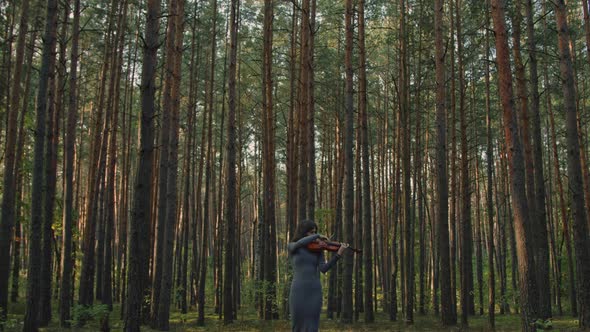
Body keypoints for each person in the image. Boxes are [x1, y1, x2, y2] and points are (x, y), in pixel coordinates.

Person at [288, 219, 348, 332]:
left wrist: (338, 254)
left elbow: (324, 269)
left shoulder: (318, 250)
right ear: (303, 232)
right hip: (298, 291)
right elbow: (301, 243)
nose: (314, 235)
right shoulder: (293, 247)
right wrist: (318, 235)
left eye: (315, 232)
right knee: (297, 325)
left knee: (312, 327)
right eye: (311, 232)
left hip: (314, 291)